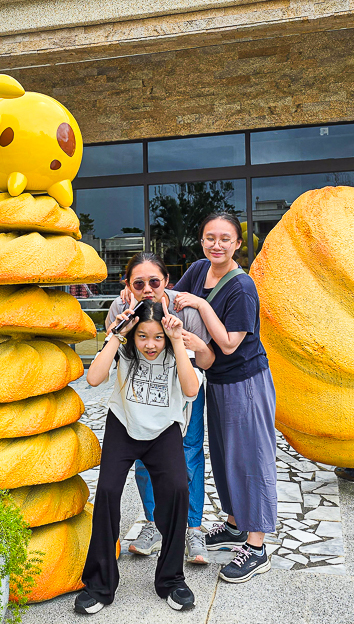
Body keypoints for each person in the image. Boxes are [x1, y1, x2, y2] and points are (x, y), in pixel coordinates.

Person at [77, 300, 202, 615]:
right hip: (123, 424)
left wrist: (174, 339)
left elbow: (190, 390)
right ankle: (99, 585)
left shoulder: (175, 347)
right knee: (106, 492)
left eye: (157, 337)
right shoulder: (123, 345)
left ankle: (172, 580)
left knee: (177, 491)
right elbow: (93, 379)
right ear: (134, 337)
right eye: (143, 336)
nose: (150, 344)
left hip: (164, 430)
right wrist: (117, 335)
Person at [172, 213, 277, 584]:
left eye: (225, 239)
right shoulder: (200, 269)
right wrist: (136, 294)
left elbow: (230, 343)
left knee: (251, 460)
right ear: (202, 241)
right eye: (209, 238)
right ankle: (235, 525)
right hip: (214, 379)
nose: (216, 245)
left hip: (246, 382)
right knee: (225, 456)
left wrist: (201, 306)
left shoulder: (243, 287)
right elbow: (172, 300)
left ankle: (257, 545)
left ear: (237, 244)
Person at [106, 253, 214, 565]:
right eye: (139, 283)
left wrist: (187, 342)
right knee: (143, 462)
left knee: (189, 455)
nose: (147, 288)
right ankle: (153, 525)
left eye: (155, 281)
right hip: (142, 397)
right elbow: (118, 356)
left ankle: (192, 529)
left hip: (183, 390)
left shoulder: (184, 307)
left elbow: (205, 360)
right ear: (128, 284)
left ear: (166, 281)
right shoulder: (119, 308)